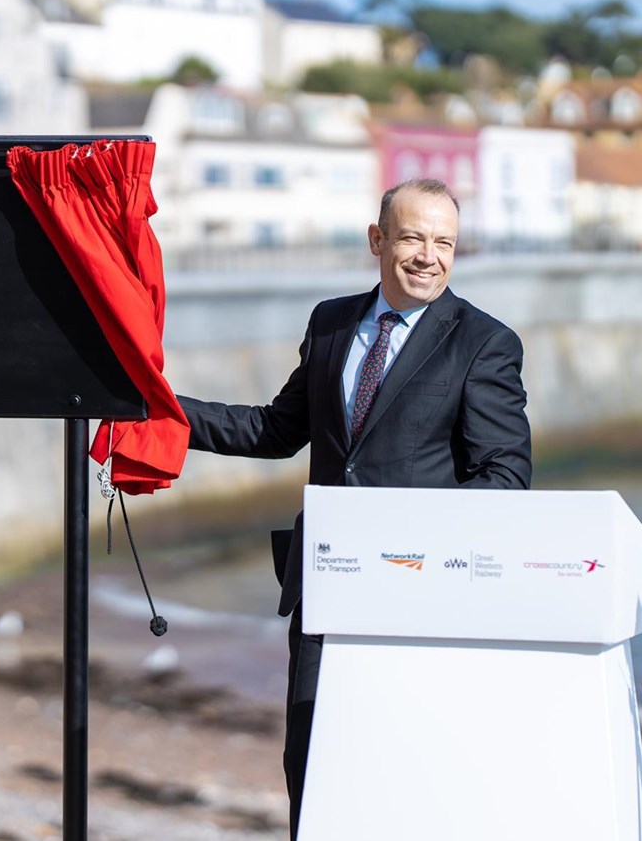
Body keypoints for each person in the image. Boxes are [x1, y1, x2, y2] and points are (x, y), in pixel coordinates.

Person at [176, 177, 532, 839]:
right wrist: (160, 412)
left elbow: (505, 476)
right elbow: (275, 431)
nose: (428, 255)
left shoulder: (483, 343)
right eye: (411, 237)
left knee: (404, 769)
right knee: (309, 762)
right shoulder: (330, 322)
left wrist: (411, 544)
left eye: (443, 242)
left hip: (417, 595)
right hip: (323, 587)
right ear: (377, 240)